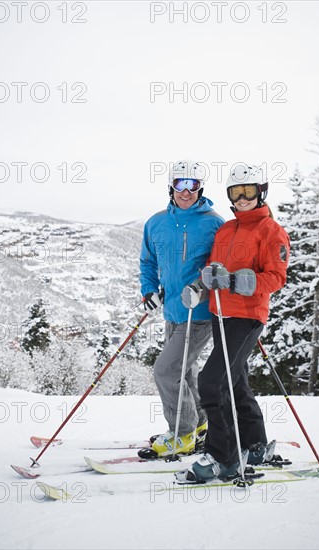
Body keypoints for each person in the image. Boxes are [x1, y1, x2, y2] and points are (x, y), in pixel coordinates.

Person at [181, 164, 290, 480]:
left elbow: (276, 277)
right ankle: (254, 444)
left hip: (247, 317)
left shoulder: (271, 231)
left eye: (248, 192)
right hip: (220, 313)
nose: (242, 199)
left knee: (211, 382)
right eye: (235, 193)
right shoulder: (226, 230)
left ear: (261, 192)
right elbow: (212, 268)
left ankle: (224, 457)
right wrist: (202, 284)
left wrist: (250, 281)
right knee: (236, 379)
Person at [139, 160, 224, 458]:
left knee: (165, 371)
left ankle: (183, 432)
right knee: (184, 371)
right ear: (171, 187)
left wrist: (200, 289)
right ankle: (199, 423)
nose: (186, 191)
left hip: (199, 313)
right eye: (180, 184)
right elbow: (148, 262)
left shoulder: (214, 223)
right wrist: (148, 290)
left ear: (200, 188)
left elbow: (220, 267)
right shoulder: (156, 222)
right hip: (172, 312)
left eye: (192, 185)